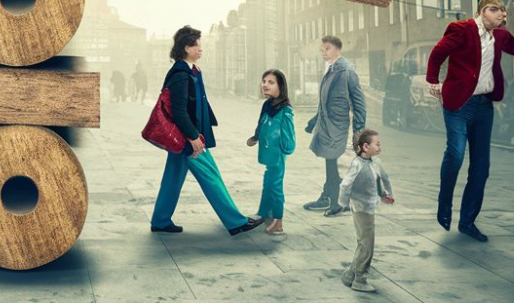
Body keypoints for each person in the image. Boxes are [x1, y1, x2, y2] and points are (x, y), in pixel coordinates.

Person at [427, 0, 514, 241]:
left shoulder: (501, 36)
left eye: (504, 14)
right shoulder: (461, 29)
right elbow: (438, 52)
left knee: (481, 167)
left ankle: (467, 222)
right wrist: (433, 81)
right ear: (484, 11)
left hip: (484, 106)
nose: (502, 16)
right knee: (456, 154)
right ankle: (444, 204)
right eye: (497, 12)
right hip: (459, 104)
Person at [150, 26, 262, 237]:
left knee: (172, 179)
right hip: (189, 138)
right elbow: (180, 110)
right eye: (197, 45)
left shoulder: (190, 71)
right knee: (211, 176)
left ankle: (160, 220)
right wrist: (193, 137)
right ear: (186, 48)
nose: (201, 49)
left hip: (187, 136)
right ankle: (236, 222)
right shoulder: (182, 74)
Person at [303, 36, 366, 217]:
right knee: (330, 161)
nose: (324, 53)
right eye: (322, 50)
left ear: (338, 49)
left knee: (333, 160)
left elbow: (359, 102)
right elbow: (326, 99)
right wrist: (315, 120)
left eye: (327, 49)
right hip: (327, 123)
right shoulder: (332, 69)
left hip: (338, 124)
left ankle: (338, 201)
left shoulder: (346, 70)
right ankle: (331, 197)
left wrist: (359, 130)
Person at [337, 129, 394, 293]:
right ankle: (360, 279)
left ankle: (350, 275)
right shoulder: (357, 164)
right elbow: (345, 185)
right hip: (361, 208)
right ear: (365, 146)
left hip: (369, 207)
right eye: (377, 144)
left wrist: (384, 194)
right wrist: (344, 203)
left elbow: (380, 179)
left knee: (363, 243)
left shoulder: (375, 163)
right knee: (367, 245)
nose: (379, 146)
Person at [248, 69, 295, 235]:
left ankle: (278, 221)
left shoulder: (285, 109)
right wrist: (255, 137)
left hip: (277, 153)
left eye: (271, 82)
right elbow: (261, 122)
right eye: (264, 81)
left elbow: (289, 135)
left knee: (275, 185)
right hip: (268, 151)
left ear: (281, 87)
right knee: (268, 181)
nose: (265, 85)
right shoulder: (267, 105)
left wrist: (285, 151)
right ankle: (264, 213)